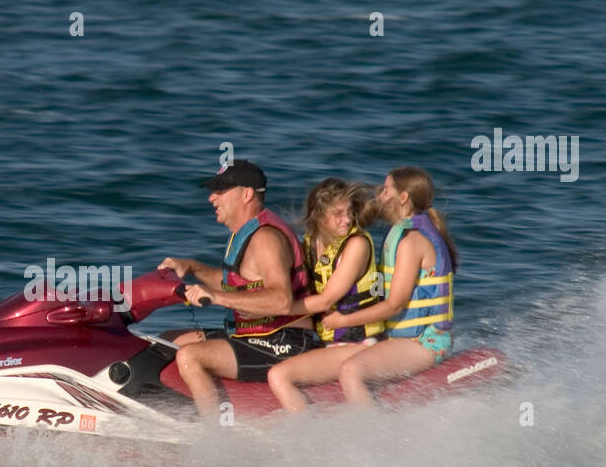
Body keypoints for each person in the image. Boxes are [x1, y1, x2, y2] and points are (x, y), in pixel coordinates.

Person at [158, 160, 316, 418]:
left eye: (220, 191)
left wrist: (217, 298)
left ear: (247, 194)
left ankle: (214, 438)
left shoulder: (266, 238)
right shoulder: (243, 233)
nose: (211, 198)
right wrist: (192, 268)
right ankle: (174, 410)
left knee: (191, 356)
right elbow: (240, 287)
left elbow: (281, 300)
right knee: (167, 339)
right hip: (254, 334)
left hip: (283, 339)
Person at [320, 167, 457, 405]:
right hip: (401, 338)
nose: (380, 196)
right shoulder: (399, 233)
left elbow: (395, 305)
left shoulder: (412, 241)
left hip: (425, 342)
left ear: (403, 197)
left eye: (386, 190)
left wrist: (342, 321)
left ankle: (369, 434)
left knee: (351, 371)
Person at [266, 178, 385, 412]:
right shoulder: (310, 243)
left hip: (360, 344)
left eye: (349, 212)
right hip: (325, 340)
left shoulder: (356, 245)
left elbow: (327, 300)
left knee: (280, 375)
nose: (348, 219)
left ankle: (305, 438)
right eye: (338, 213)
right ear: (319, 217)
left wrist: (273, 308)